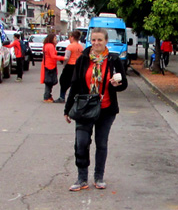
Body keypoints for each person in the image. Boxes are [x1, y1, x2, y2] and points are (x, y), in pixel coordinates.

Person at [64, 27, 127, 191]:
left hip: (106, 109)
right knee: (81, 143)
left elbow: (123, 84)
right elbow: (75, 84)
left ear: (106, 41)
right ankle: (81, 178)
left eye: (100, 40)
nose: (96, 43)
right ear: (89, 41)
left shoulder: (113, 60)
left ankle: (99, 177)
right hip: (84, 109)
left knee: (101, 144)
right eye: (93, 40)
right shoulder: (83, 59)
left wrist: (117, 84)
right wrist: (67, 108)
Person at [55, 30, 83, 103]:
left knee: (63, 81)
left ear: (72, 37)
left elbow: (67, 57)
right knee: (75, 83)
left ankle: (62, 97)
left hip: (69, 66)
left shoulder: (70, 46)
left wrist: (64, 65)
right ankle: (75, 98)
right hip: (77, 66)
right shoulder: (80, 47)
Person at [40, 33, 65, 102]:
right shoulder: (50, 46)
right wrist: (63, 58)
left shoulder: (47, 45)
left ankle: (48, 96)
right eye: (55, 38)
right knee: (49, 82)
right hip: (50, 66)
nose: (56, 40)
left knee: (49, 81)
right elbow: (53, 56)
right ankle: (47, 96)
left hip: (48, 65)